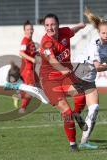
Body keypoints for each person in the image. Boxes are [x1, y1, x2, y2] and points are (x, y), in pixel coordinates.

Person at [72, 9, 107, 149]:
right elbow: (98, 67)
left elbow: (105, 58)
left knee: (95, 108)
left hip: (89, 77)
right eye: (103, 33)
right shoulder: (94, 44)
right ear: (99, 32)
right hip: (79, 73)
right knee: (66, 101)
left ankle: (84, 141)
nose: (106, 35)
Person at [39, 13, 87, 152]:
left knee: (81, 97)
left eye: (52, 24)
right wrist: (62, 69)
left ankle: (78, 115)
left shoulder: (64, 32)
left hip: (65, 75)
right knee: (67, 112)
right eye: (47, 25)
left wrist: (80, 25)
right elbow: (53, 60)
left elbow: (72, 31)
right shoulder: (46, 42)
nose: (50, 28)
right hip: (50, 80)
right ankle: (73, 144)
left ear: (58, 25)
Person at [18, 20, 38, 113]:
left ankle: (21, 94)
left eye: (31, 29)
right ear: (24, 31)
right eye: (28, 29)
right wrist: (32, 59)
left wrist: (38, 53)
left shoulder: (31, 41)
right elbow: (21, 53)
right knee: (32, 89)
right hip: (27, 69)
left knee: (37, 87)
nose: (30, 31)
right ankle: (22, 104)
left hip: (31, 69)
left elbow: (31, 53)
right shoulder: (25, 40)